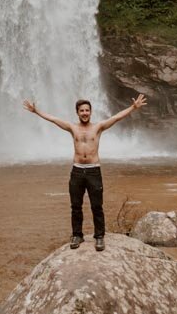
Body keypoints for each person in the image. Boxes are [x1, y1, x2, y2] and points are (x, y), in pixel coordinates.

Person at [23, 94, 149, 251]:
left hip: (93, 171)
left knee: (97, 206)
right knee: (76, 206)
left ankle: (99, 237)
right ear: (77, 112)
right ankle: (77, 235)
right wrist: (36, 111)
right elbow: (53, 119)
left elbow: (116, 118)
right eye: (81, 110)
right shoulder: (72, 128)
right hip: (77, 171)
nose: (84, 113)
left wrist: (133, 107)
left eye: (87, 110)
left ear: (91, 112)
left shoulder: (98, 127)